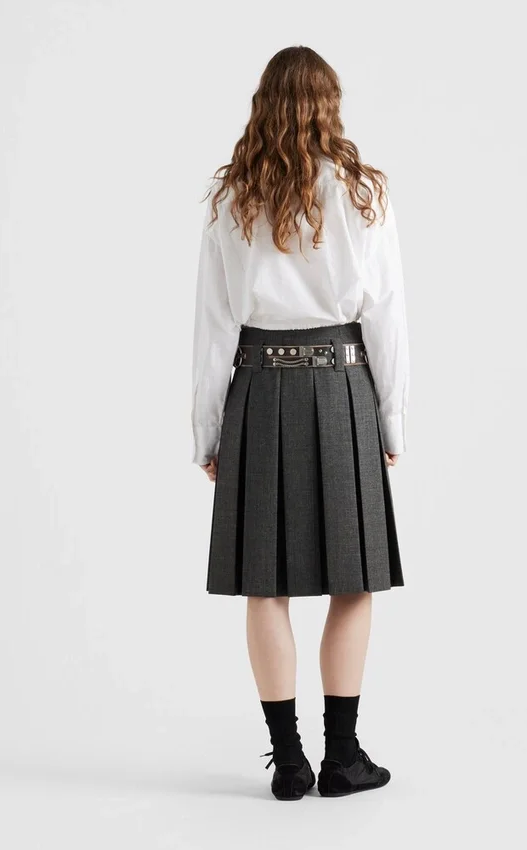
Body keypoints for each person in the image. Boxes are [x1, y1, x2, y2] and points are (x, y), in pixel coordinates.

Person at [190, 45, 410, 801]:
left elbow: (213, 326)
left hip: (257, 390)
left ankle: (289, 762)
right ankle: (342, 758)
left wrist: (207, 430)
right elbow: (387, 318)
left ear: (263, 105)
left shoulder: (232, 196)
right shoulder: (363, 191)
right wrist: (392, 422)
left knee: (267, 583)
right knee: (355, 580)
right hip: (343, 385)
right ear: (329, 104)